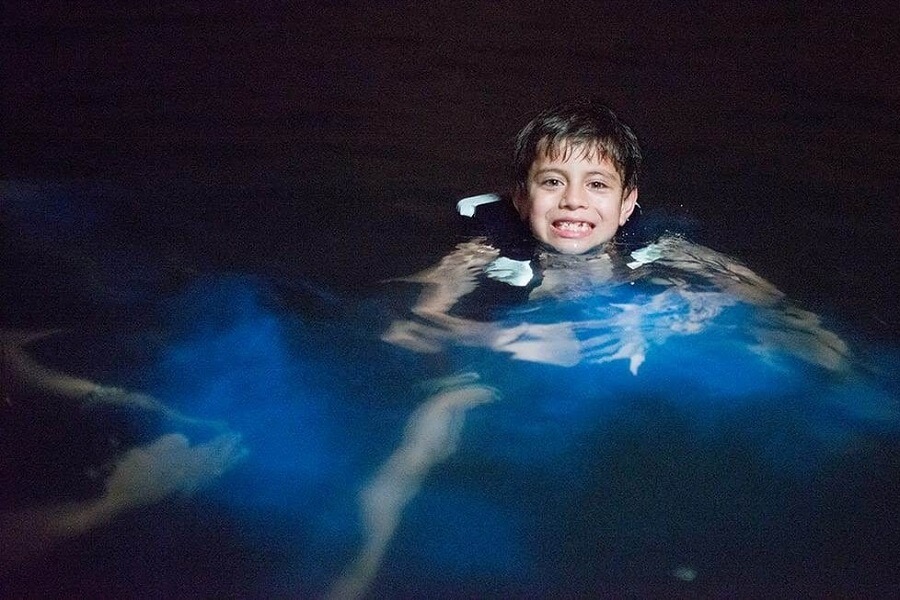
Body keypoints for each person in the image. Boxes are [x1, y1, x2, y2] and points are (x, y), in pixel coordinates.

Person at [329, 100, 849, 599]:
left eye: (596, 184)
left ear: (626, 204)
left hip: (634, 351)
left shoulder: (661, 248)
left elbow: (766, 301)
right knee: (437, 413)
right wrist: (490, 340)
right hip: (522, 364)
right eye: (552, 182)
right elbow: (415, 320)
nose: (573, 200)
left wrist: (791, 336)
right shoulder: (486, 250)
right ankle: (365, 551)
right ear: (521, 198)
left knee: (775, 364)